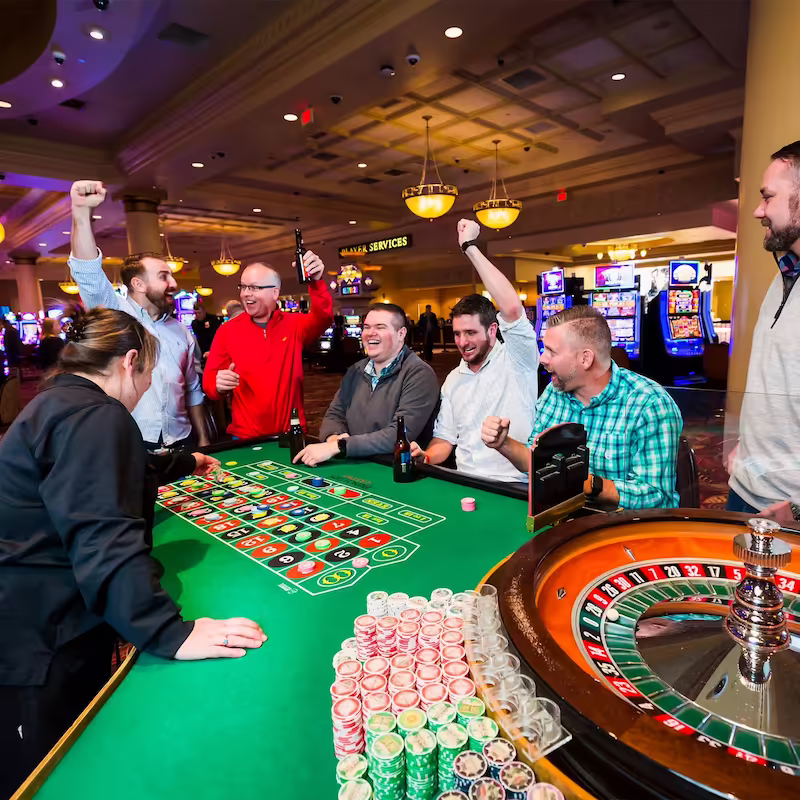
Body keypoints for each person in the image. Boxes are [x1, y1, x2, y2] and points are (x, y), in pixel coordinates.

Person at [0, 308, 266, 799]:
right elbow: (103, 535)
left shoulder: (59, 400)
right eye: (149, 373)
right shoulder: (99, 415)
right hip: (43, 636)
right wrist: (168, 631)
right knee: (53, 772)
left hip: (26, 612)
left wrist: (181, 461)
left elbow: (100, 468)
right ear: (128, 363)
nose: (147, 387)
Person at [481, 306, 682, 509]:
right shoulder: (555, 391)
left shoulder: (650, 404)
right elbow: (536, 462)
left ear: (585, 358)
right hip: (561, 515)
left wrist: (586, 484)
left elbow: (658, 497)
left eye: (551, 351)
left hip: (622, 523)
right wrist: (503, 443)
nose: (542, 358)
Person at [68, 180, 209, 451]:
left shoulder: (181, 331)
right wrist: (81, 214)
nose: (174, 284)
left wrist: (202, 438)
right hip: (132, 443)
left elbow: (192, 390)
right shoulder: (115, 313)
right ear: (138, 284)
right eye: (164, 276)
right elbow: (88, 273)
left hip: (182, 440)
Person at [410, 219, 540, 483]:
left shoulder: (517, 359)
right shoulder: (453, 379)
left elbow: (512, 309)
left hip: (515, 484)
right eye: (457, 333)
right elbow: (445, 439)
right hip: (466, 481)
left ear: (492, 330)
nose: (462, 342)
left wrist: (469, 246)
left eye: (470, 333)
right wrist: (426, 456)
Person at [727, 140, 800, 524]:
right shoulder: (784, 273)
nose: (758, 210)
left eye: (768, 197)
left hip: (787, 510)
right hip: (745, 486)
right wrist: (746, 446)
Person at [203, 255, 333, 438]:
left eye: (254, 287)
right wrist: (217, 384)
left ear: (274, 293)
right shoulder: (227, 331)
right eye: (243, 287)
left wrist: (316, 282)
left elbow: (324, 317)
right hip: (245, 435)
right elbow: (209, 383)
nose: (245, 293)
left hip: (291, 432)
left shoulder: (295, 324)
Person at [294, 303, 439, 466]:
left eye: (380, 327)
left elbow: (398, 435)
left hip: (392, 468)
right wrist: (334, 438)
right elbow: (334, 414)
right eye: (367, 327)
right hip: (353, 462)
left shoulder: (419, 374)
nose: (370, 333)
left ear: (401, 334)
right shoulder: (356, 370)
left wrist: (341, 446)